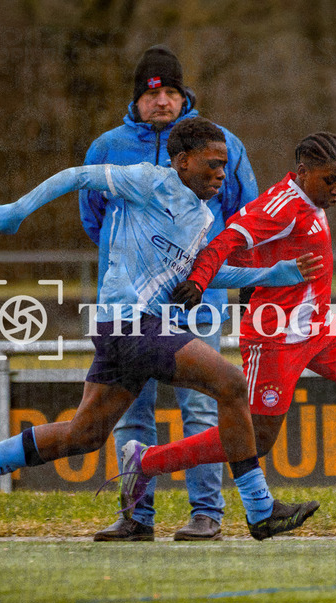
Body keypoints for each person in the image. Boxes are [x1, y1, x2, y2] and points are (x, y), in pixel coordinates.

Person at [0, 117, 319, 540]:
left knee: (84, 433)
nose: (221, 173)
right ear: (182, 161)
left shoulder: (200, 215)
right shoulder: (149, 181)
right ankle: (259, 508)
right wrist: (19, 208)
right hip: (131, 325)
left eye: (224, 165)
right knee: (232, 384)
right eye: (213, 164)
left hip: (126, 330)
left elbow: (202, 273)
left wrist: (272, 274)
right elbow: (77, 176)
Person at [120, 131, 336, 527]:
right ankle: (145, 461)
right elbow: (223, 242)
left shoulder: (312, 200)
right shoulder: (280, 206)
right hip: (275, 337)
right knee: (254, 439)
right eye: (330, 180)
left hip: (320, 326)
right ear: (303, 172)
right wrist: (200, 280)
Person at [81, 44, 259, 542]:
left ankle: (207, 513)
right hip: (129, 309)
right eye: (151, 93)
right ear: (136, 99)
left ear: (185, 96)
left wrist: (231, 278)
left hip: (195, 304)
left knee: (200, 407)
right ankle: (136, 516)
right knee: (130, 413)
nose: (161, 101)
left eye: (171, 92)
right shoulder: (107, 147)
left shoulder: (221, 144)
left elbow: (244, 219)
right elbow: (93, 218)